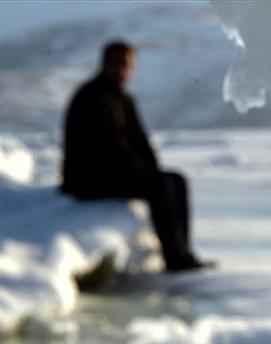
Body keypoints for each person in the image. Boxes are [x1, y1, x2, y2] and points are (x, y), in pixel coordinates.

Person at [60, 41, 212, 272]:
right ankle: (174, 258)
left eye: (127, 65)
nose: (122, 70)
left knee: (176, 180)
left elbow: (140, 141)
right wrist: (144, 172)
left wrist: (151, 167)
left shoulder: (124, 99)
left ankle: (183, 251)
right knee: (159, 185)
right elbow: (109, 144)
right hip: (88, 178)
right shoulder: (91, 96)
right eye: (117, 64)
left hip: (115, 173)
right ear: (104, 64)